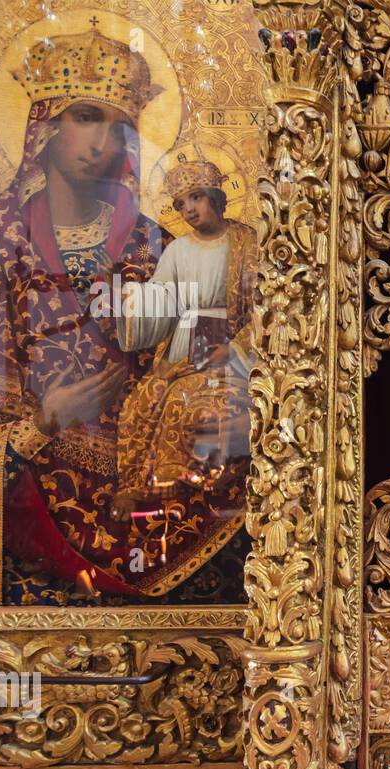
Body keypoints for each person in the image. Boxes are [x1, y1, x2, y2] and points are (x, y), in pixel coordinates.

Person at [0, 27, 249, 604]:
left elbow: (206, 355)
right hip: (28, 535)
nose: (101, 141)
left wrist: (225, 416)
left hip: (158, 497)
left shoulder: (159, 247)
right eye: (85, 117)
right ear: (46, 125)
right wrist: (43, 424)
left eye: (118, 126)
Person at [111, 159, 256, 520]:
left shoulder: (246, 243)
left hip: (229, 350)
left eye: (196, 197)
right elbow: (163, 299)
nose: (188, 209)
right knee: (141, 403)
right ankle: (135, 486)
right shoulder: (177, 250)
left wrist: (236, 349)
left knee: (188, 404)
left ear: (218, 199)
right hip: (182, 348)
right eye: (179, 204)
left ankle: (179, 485)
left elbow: (267, 310)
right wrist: (134, 301)